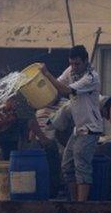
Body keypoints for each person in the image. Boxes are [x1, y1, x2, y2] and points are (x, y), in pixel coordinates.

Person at [41, 45, 103, 201]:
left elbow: (65, 90)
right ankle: (73, 202)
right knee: (67, 166)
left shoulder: (91, 77)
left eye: (77, 64)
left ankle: (81, 205)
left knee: (82, 167)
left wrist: (47, 74)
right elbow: (56, 85)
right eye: (72, 64)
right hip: (78, 129)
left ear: (85, 61)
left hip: (90, 129)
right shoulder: (70, 71)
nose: (74, 67)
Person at [0, 94, 50, 196]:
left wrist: (42, 138)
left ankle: (10, 189)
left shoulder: (20, 99)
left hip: (10, 135)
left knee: (10, 161)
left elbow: (31, 120)